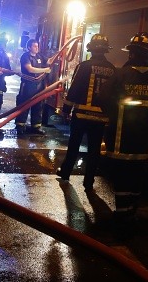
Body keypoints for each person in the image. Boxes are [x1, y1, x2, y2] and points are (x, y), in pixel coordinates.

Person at [99, 32, 148, 236]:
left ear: (131, 53)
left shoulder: (119, 75)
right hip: (145, 143)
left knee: (122, 178)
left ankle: (122, 213)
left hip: (120, 141)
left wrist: (113, 115)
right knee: (137, 177)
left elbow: (102, 99)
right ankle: (132, 212)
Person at [56, 34, 116, 191]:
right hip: (100, 118)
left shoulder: (83, 66)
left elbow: (75, 89)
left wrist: (66, 109)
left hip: (81, 114)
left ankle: (66, 172)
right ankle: (89, 181)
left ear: (90, 49)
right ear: (105, 50)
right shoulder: (112, 69)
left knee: (74, 145)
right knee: (94, 150)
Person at [14, 38, 51, 135]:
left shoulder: (40, 56)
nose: (37, 48)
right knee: (24, 105)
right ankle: (20, 125)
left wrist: (60, 53)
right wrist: (44, 70)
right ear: (29, 47)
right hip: (27, 85)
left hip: (39, 85)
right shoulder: (25, 57)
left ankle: (36, 126)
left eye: (37, 46)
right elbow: (29, 69)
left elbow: (49, 61)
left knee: (38, 105)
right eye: (35, 46)